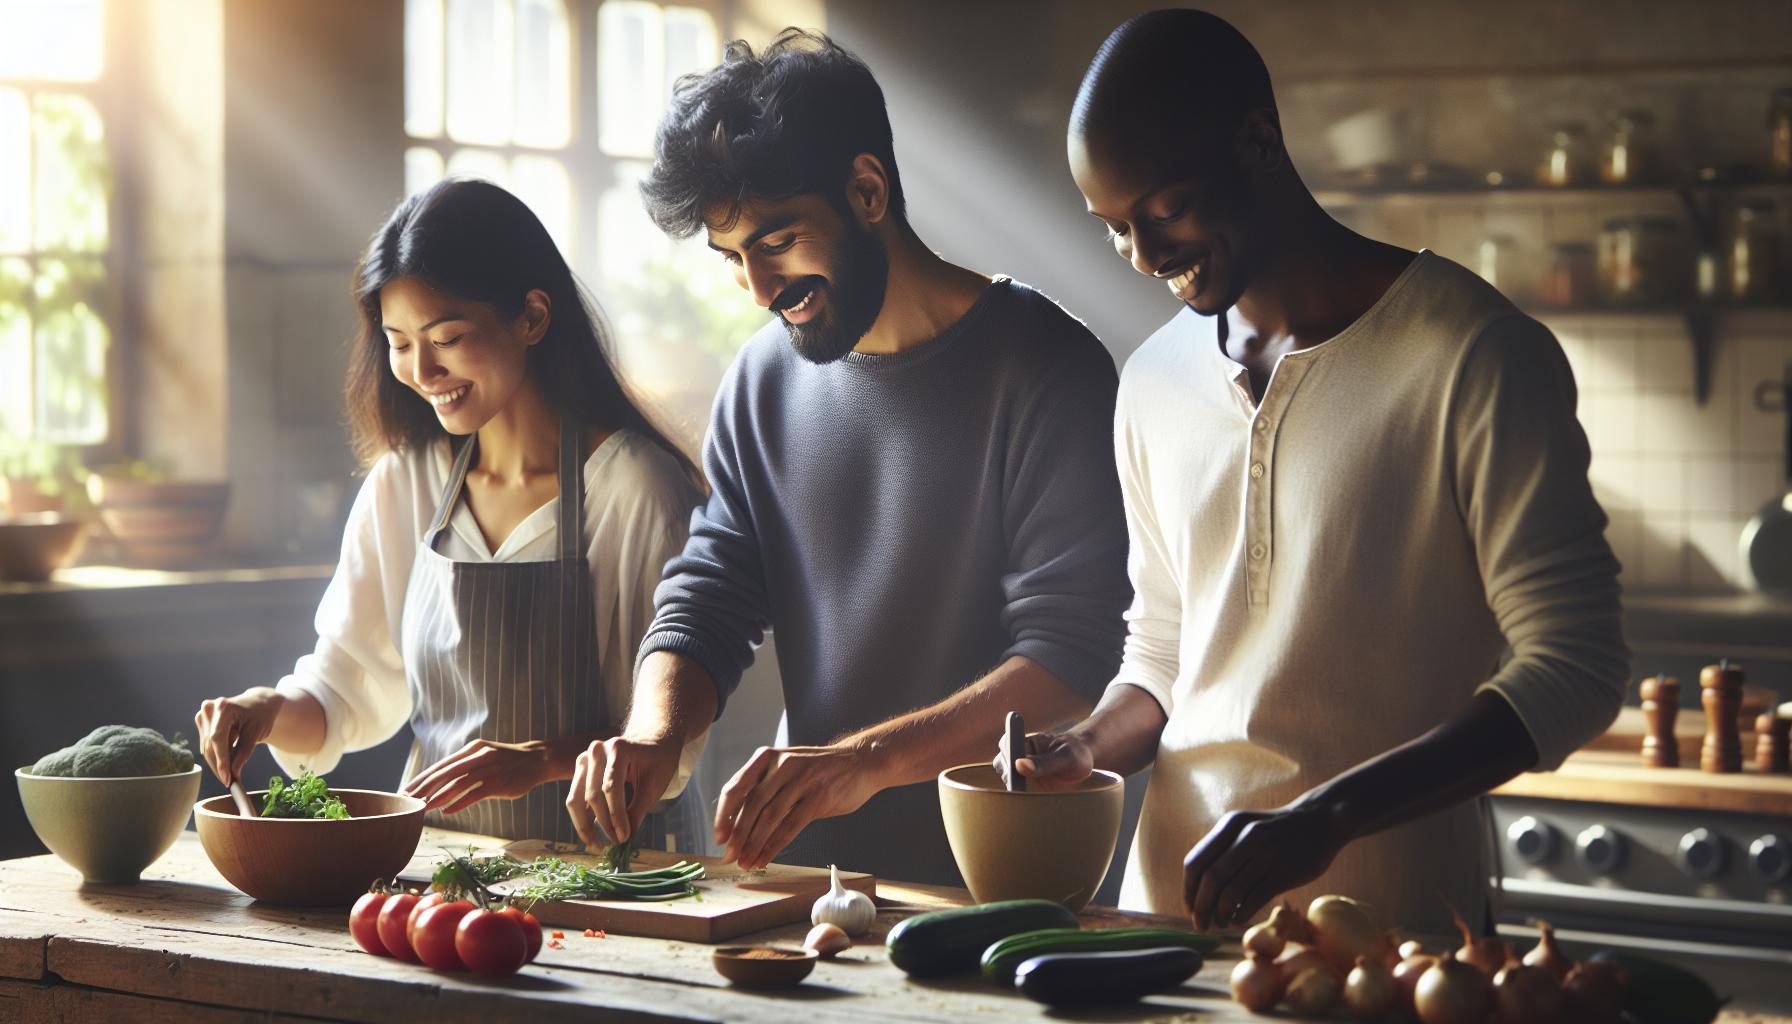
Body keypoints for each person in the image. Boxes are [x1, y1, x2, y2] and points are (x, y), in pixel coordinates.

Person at [1012, 9, 1630, 937]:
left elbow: (1577, 667)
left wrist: (1326, 818)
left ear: (1258, 142)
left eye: (1164, 209)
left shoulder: (1476, 355)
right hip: (1169, 936)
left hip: (1400, 944)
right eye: (1113, 228)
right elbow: (1166, 651)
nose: (1142, 256)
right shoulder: (1151, 382)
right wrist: (1087, 745)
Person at [565, 29, 1132, 885]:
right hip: (810, 887)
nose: (757, 289)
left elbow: (1072, 659)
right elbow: (711, 595)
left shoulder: (1051, 368)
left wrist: (860, 762)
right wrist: (653, 732)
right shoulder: (761, 378)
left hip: (999, 878)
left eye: (777, 241)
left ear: (868, 190)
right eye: (732, 259)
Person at [194, 179, 708, 849]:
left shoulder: (637, 490)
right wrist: (264, 711)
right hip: (447, 872)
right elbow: (345, 692)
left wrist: (538, 761)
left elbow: (668, 740)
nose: (421, 369)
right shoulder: (407, 483)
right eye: (399, 342)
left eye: (448, 336)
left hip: (618, 871)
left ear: (531, 317)